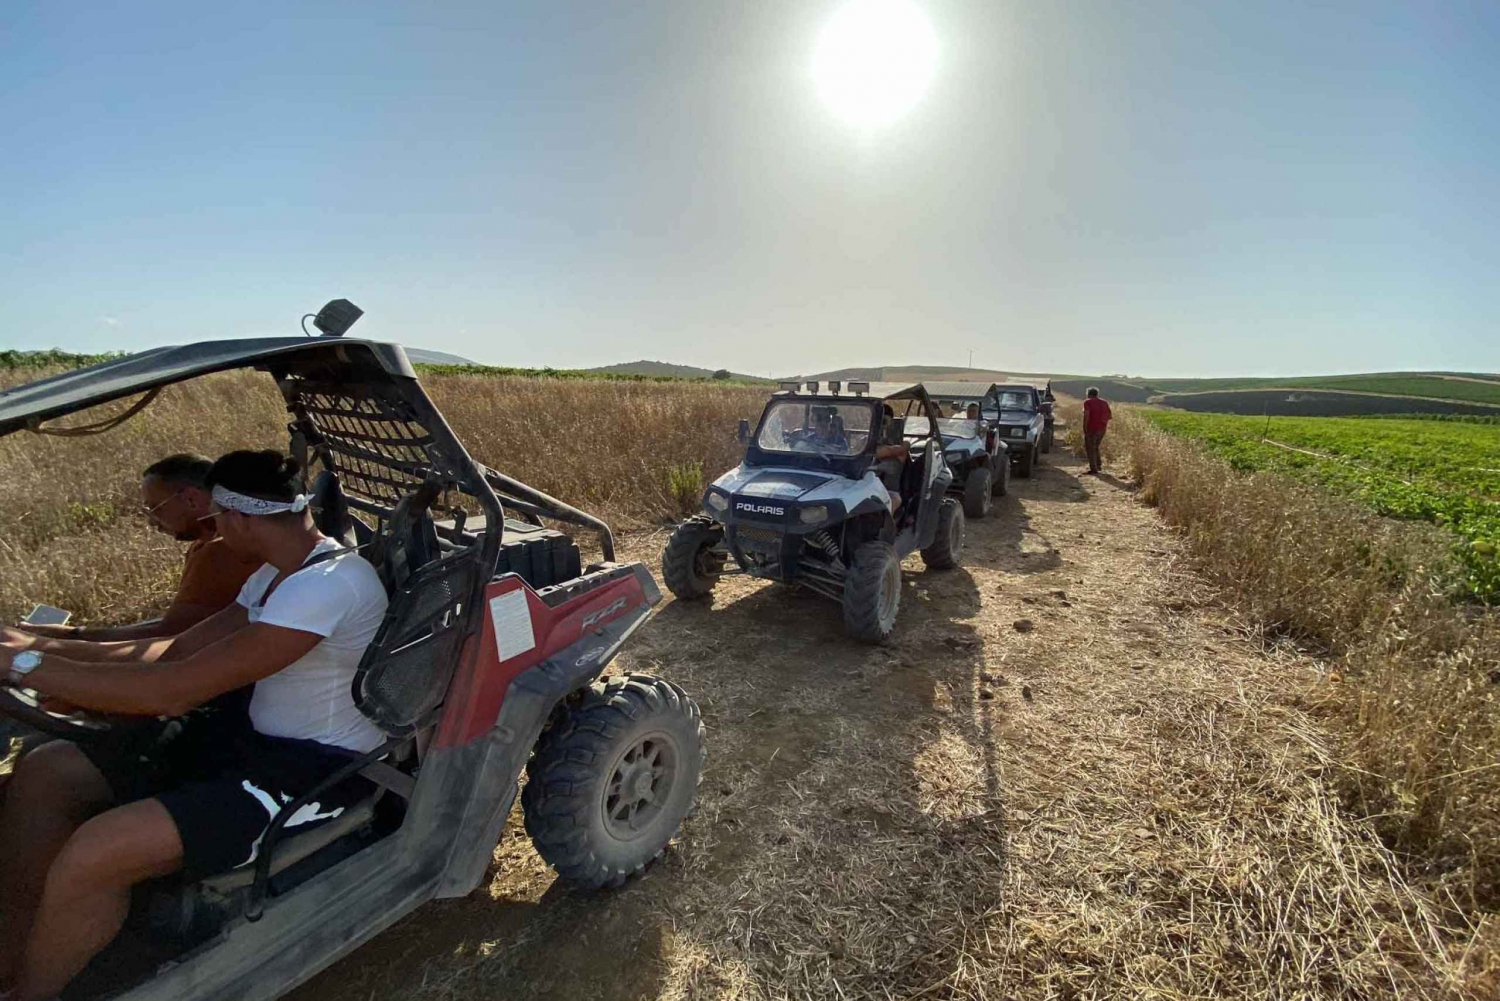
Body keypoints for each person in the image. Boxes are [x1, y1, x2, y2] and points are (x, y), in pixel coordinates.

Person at [0, 450, 389, 1001]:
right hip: (248, 739)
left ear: (239, 518)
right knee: (49, 771)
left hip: (314, 770)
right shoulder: (278, 574)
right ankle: (15, 949)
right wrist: (40, 648)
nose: (214, 534)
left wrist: (24, 665)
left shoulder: (327, 587)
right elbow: (176, 651)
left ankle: (30, 991)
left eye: (216, 520)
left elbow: (173, 690)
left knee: (98, 850)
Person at [20, 453, 261, 642]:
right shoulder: (217, 542)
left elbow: (169, 635)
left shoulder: (218, 552)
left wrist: (69, 637)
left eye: (156, 509)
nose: (152, 522)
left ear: (191, 499)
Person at [874, 404, 910, 513]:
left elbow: (887, 451)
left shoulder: (902, 445)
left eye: (883, 421)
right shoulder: (866, 442)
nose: (881, 426)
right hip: (868, 489)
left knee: (892, 502)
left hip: (890, 491)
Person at [1082, 387, 1113, 475]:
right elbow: (1109, 416)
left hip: (1092, 428)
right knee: (1095, 446)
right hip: (1102, 428)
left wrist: (1085, 428)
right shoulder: (1104, 402)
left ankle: (1093, 468)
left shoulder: (1087, 402)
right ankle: (1098, 465)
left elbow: (1086, 415)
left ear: (1088, 394)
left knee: (1090, 448)